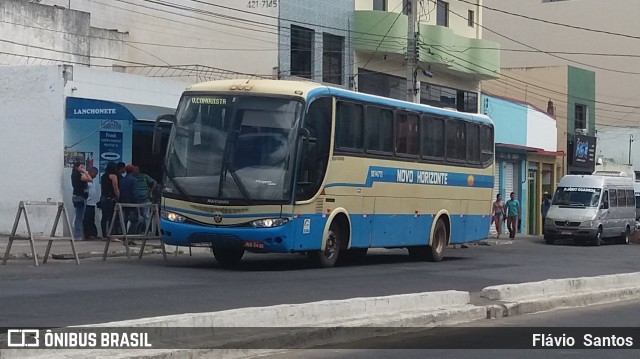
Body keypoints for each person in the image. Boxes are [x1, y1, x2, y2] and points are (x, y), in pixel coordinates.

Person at [133, 165, 157, 234]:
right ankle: (137, 231)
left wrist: (150, 192)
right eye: (134, 169)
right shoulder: (132, 178)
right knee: (139, 217)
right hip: (136, 201)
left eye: (137, 169)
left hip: (145, 199)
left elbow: (154, 183)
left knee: (146, 215)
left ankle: (147, 231)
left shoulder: (144, 177)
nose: (135, 171)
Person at [71, 162, 92, 240]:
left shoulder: (74, 175)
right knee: (79, 217)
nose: (83, 168)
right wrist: (85, 172)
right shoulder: (78, 175)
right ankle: (77, 235)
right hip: (80, 197)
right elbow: (90, 179)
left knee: (78, 216)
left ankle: (78, 234)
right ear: (77, 167)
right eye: (81, 167)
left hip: (77, 196)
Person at [119, 164, 140, 242]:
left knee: (124, 220)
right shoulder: (134, 180)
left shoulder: (122, 180)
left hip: (123, 203)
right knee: (134, 220)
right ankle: (131, 238)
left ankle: (124, 237)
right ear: (132, 170)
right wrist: (137, 203)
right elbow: (135, 192)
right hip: (132, 203)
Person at [100, 162, 121, 242]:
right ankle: (111, 235)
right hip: (111, 198)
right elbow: (115, 188)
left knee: (104, 217)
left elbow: (102, 188)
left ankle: (104, 235)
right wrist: (119, 197)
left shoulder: (103, 176)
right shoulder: (113, 176)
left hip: (103, 197)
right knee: (113, 217)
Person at [82, 167, 100, 239]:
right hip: (87, 203)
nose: (95, 176)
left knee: (92, 219)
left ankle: (93, 234)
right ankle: (87, 235)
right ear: (91, 172)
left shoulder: (92, 181)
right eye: (95, 174)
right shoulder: (85, 179)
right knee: (87, 219)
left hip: (92, 203)